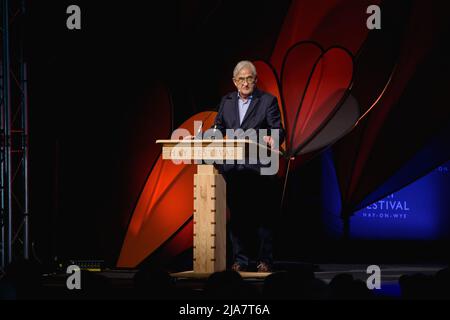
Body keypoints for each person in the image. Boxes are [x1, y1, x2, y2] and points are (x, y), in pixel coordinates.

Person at [212, 60, 285, 272]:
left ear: (256, 80)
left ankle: (265, 261)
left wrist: (274, 138)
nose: (245, 83)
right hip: (234, 169)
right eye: (241, 79)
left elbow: (278, 129)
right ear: (235, 82)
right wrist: (211, 135)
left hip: (259, 169)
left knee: (263, 218)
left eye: (249, 78)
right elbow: (217, 127)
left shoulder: (267, 101)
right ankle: (240, 261)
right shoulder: (226, 101)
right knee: (238, 217)